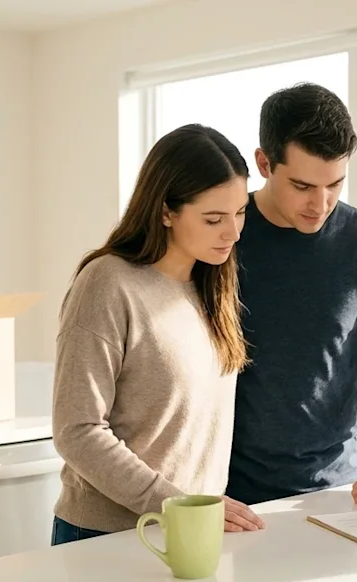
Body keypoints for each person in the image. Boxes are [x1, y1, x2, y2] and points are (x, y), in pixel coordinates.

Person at [50, 123, 266, 546]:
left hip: (190, 531)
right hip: (106, 535)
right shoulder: (107, 283)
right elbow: (77, 429)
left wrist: (195, 510)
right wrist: (172, 503)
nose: (234, 232)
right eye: (213, 218)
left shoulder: (211, 286)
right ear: (166, 210)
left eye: (240, 212)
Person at [225, 83, 357, 508]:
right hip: (226, 495)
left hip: (335, 493)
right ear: (263, 162)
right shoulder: (224, 238)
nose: (321, 202)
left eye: (335, 184)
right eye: (302, 185)